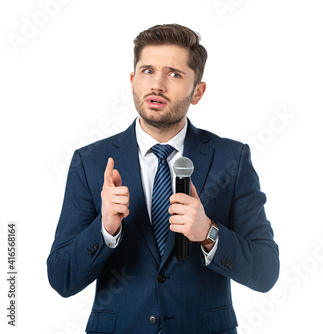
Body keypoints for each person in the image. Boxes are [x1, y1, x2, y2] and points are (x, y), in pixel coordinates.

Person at [47, 24, 279, 334]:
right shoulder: (90, 162)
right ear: (132, 81)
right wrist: (104, 229)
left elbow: (266, 272)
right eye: (147, 71)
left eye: (174, 74)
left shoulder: (232, 159)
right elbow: (62, 278)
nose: (156, 85)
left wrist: (209, 233)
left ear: (197, 91)